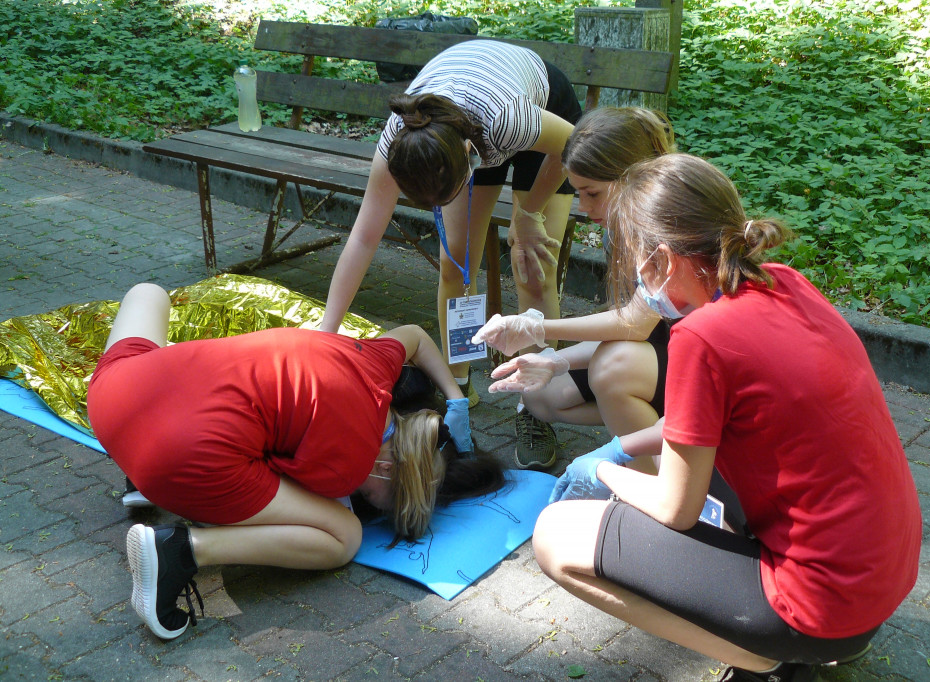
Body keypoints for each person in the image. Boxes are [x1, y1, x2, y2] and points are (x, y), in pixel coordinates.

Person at [531, 154, 923, 681]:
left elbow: (676, 509)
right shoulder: (783, 282)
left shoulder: (700, 336)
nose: (635, 280)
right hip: (880, 577)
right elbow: (701, 427)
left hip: (821, 609)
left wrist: (602, 470)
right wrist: (626, 446)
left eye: (633, 262)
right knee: (696, 473)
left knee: (555, 533)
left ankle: (764, 659)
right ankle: (788, 641)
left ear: (663, 261)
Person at [87, 283, 504, 640]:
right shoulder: (351, 465)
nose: (377, 506)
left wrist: (455, 397)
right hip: (175, 459)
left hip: (115, 395)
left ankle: (135, 470)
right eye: (387, 501)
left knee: (148, 294)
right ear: (388, 469)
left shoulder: (373, 364)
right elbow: (310, 506)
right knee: (344, 536)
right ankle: (180, 551)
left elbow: (414, 334)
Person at [317, 40, 582, 418]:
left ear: (466, 158)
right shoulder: (401, 141)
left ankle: (536, 407)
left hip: (543, 116)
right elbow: (363, 237)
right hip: (459, 125)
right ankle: (457, 385)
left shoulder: (508, 121)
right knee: (456, 264)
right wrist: (327, 331)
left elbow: (574, 145)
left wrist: (529, 213)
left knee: (532, 267)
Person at [472, 107, 676, 469]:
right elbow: (629, 329)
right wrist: (554, 360)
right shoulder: (619, 227)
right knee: (540, 397)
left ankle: (655, 478)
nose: (583, 207)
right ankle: (649, 424)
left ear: (633, 177)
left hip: (695, 366)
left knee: (613, 370)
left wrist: (537, 328)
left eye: (592, 193)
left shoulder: (661, 229)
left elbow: (634, 325)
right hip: (656, 358)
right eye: (578, 192)